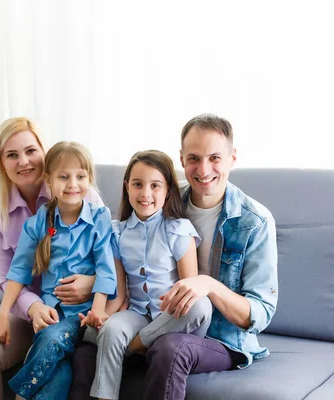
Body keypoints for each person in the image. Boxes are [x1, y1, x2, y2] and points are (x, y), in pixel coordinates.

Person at [70, 114, 278, 400]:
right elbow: (124, 253)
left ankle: (133, 346)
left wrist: (209, 285)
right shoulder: (162, 198)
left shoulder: (255, 221)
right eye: (194, 158)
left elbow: (261, 313)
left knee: (169, 349)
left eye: (215, 158)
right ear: (181, 159)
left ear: (232, 158)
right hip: (157, 319)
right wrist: (93, 283)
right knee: (84, 351)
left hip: (221, 338)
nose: (203, 169)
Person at [0, 118, 103, 400]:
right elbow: (8, 277)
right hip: (29, 312)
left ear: (44, 151)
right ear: (1, 163)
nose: (24, 162)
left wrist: (90, 283)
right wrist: (33, 308)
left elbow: (109, 256)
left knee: (56, 362)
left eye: (31, 151)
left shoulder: (79, 192)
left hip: (76, 310)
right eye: (12, 155)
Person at [86, 150, 212, 400]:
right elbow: (120, 290)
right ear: (127, 188)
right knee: (110, 329)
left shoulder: (178, 230)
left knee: (201, 305)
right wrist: (103, 317)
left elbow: (190, 287)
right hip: (138, 313)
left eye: (155, 185)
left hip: (175, 316)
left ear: (167, 191)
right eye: (137, 184)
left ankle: (136, 346)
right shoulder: (117, 232)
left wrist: (175, 306)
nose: (145, 193)